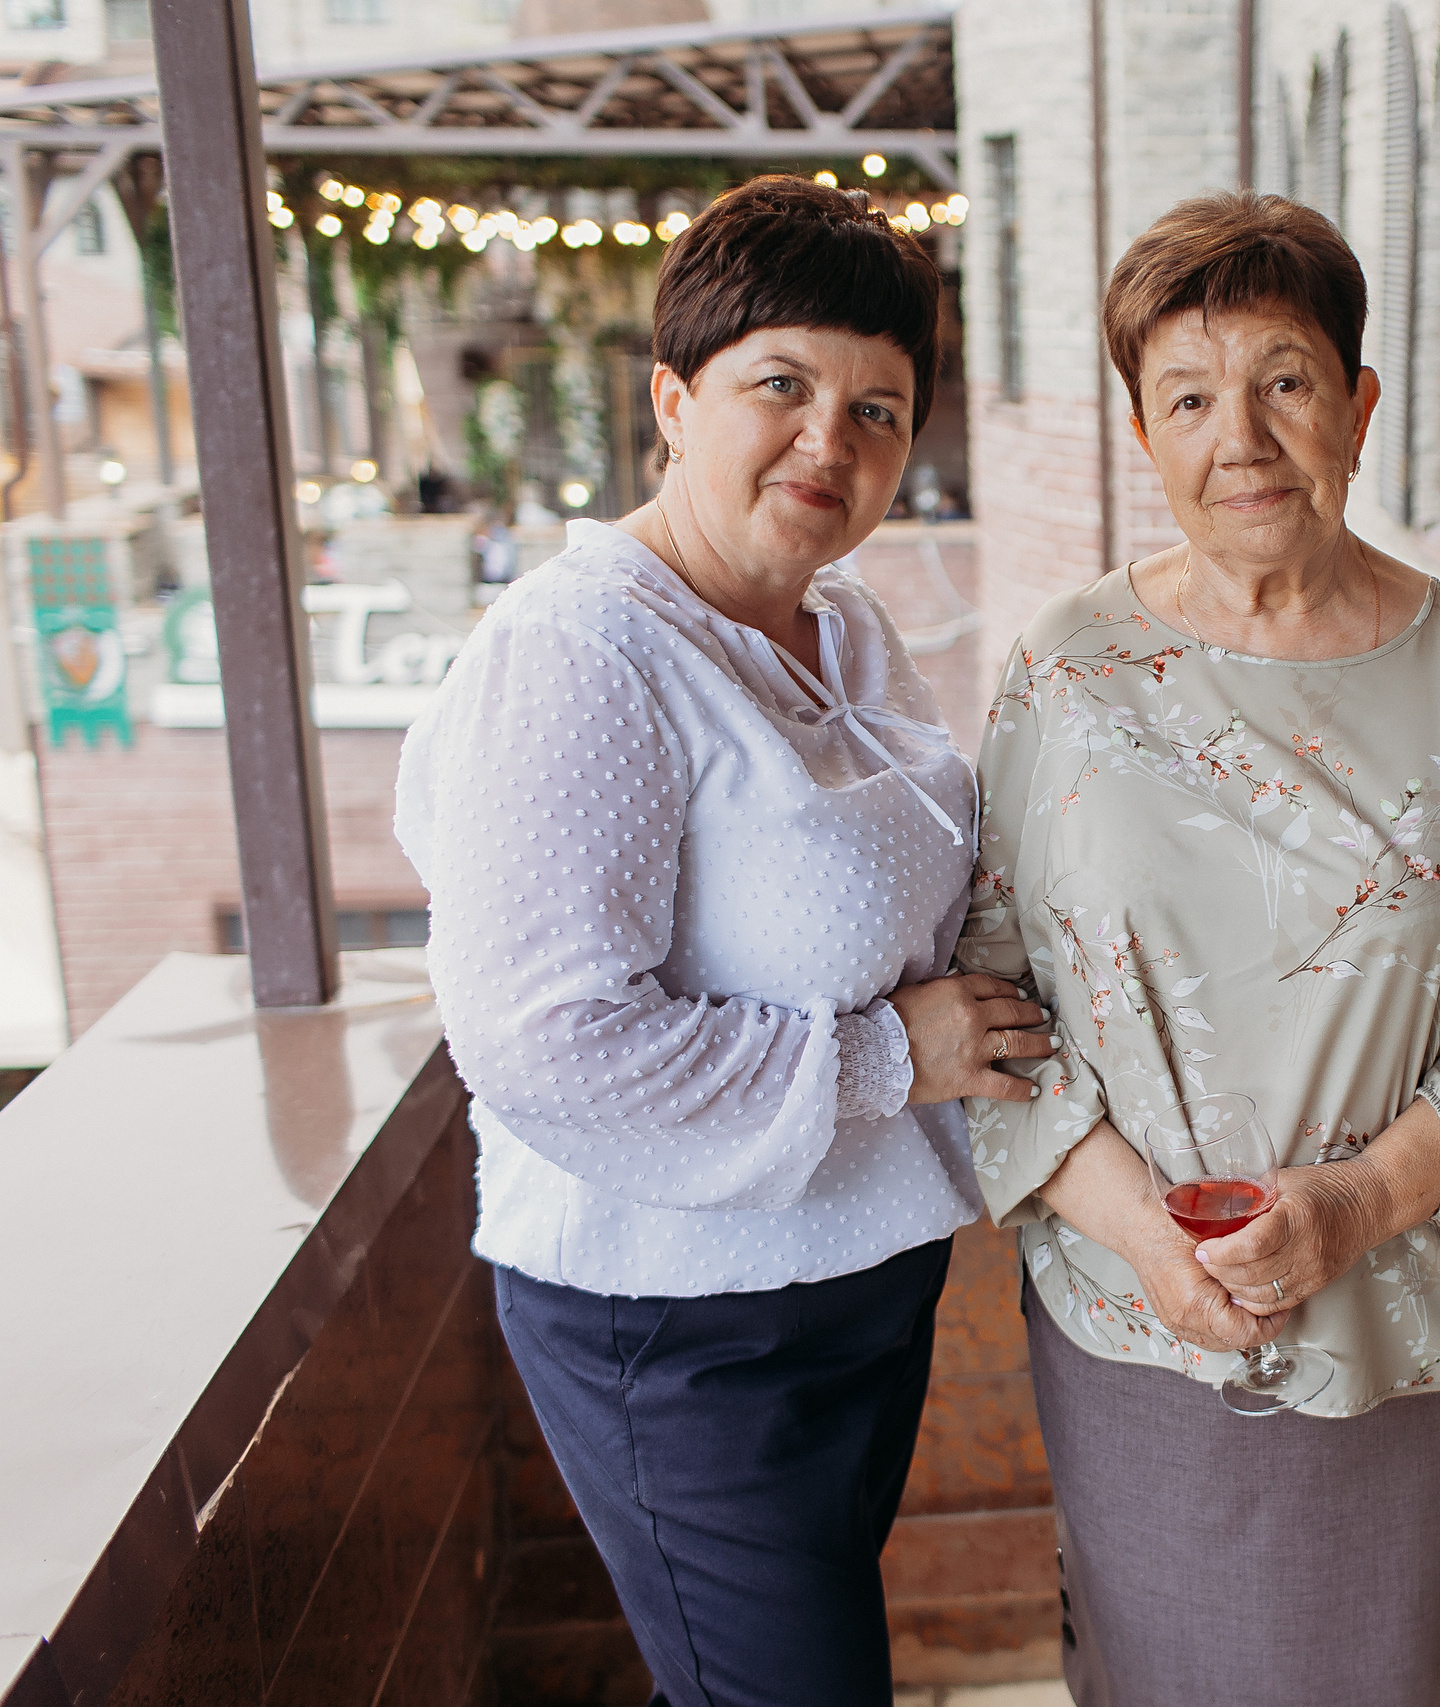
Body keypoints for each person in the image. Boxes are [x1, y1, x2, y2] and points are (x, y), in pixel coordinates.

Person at [394, 176, 1057, 1707]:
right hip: (680, 1331)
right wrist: (895, 1054)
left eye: (880, 410)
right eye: (784, 386)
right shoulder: (581, 651)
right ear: (673, 401)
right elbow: (542, 1039)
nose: (832, 442)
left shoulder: (848, 625)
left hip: (852, 1286)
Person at [960, 192, 1440, 1707]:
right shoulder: (1069, 667)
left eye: (1284, 380)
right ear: (1143, 432)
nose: (1240, 435)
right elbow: (991, 995)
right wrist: (1137, 1232)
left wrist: (1359, 1204)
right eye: (1189, 396)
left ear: (1359, 408)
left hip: (1400, 1313)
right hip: (1132, 1318)